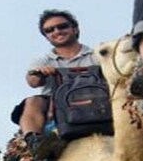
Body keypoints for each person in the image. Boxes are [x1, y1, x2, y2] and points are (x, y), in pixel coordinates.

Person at [11, 9, 99, 147]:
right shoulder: (43, 61)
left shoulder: (97, 56)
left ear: (75, 29)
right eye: (50, 30)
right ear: (46, 36)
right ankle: (36, 142)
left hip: (96, 101)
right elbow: (33, 82)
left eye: (62, 26)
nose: (57, 31)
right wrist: (40, 73)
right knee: (33, 101)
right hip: (57, 106)